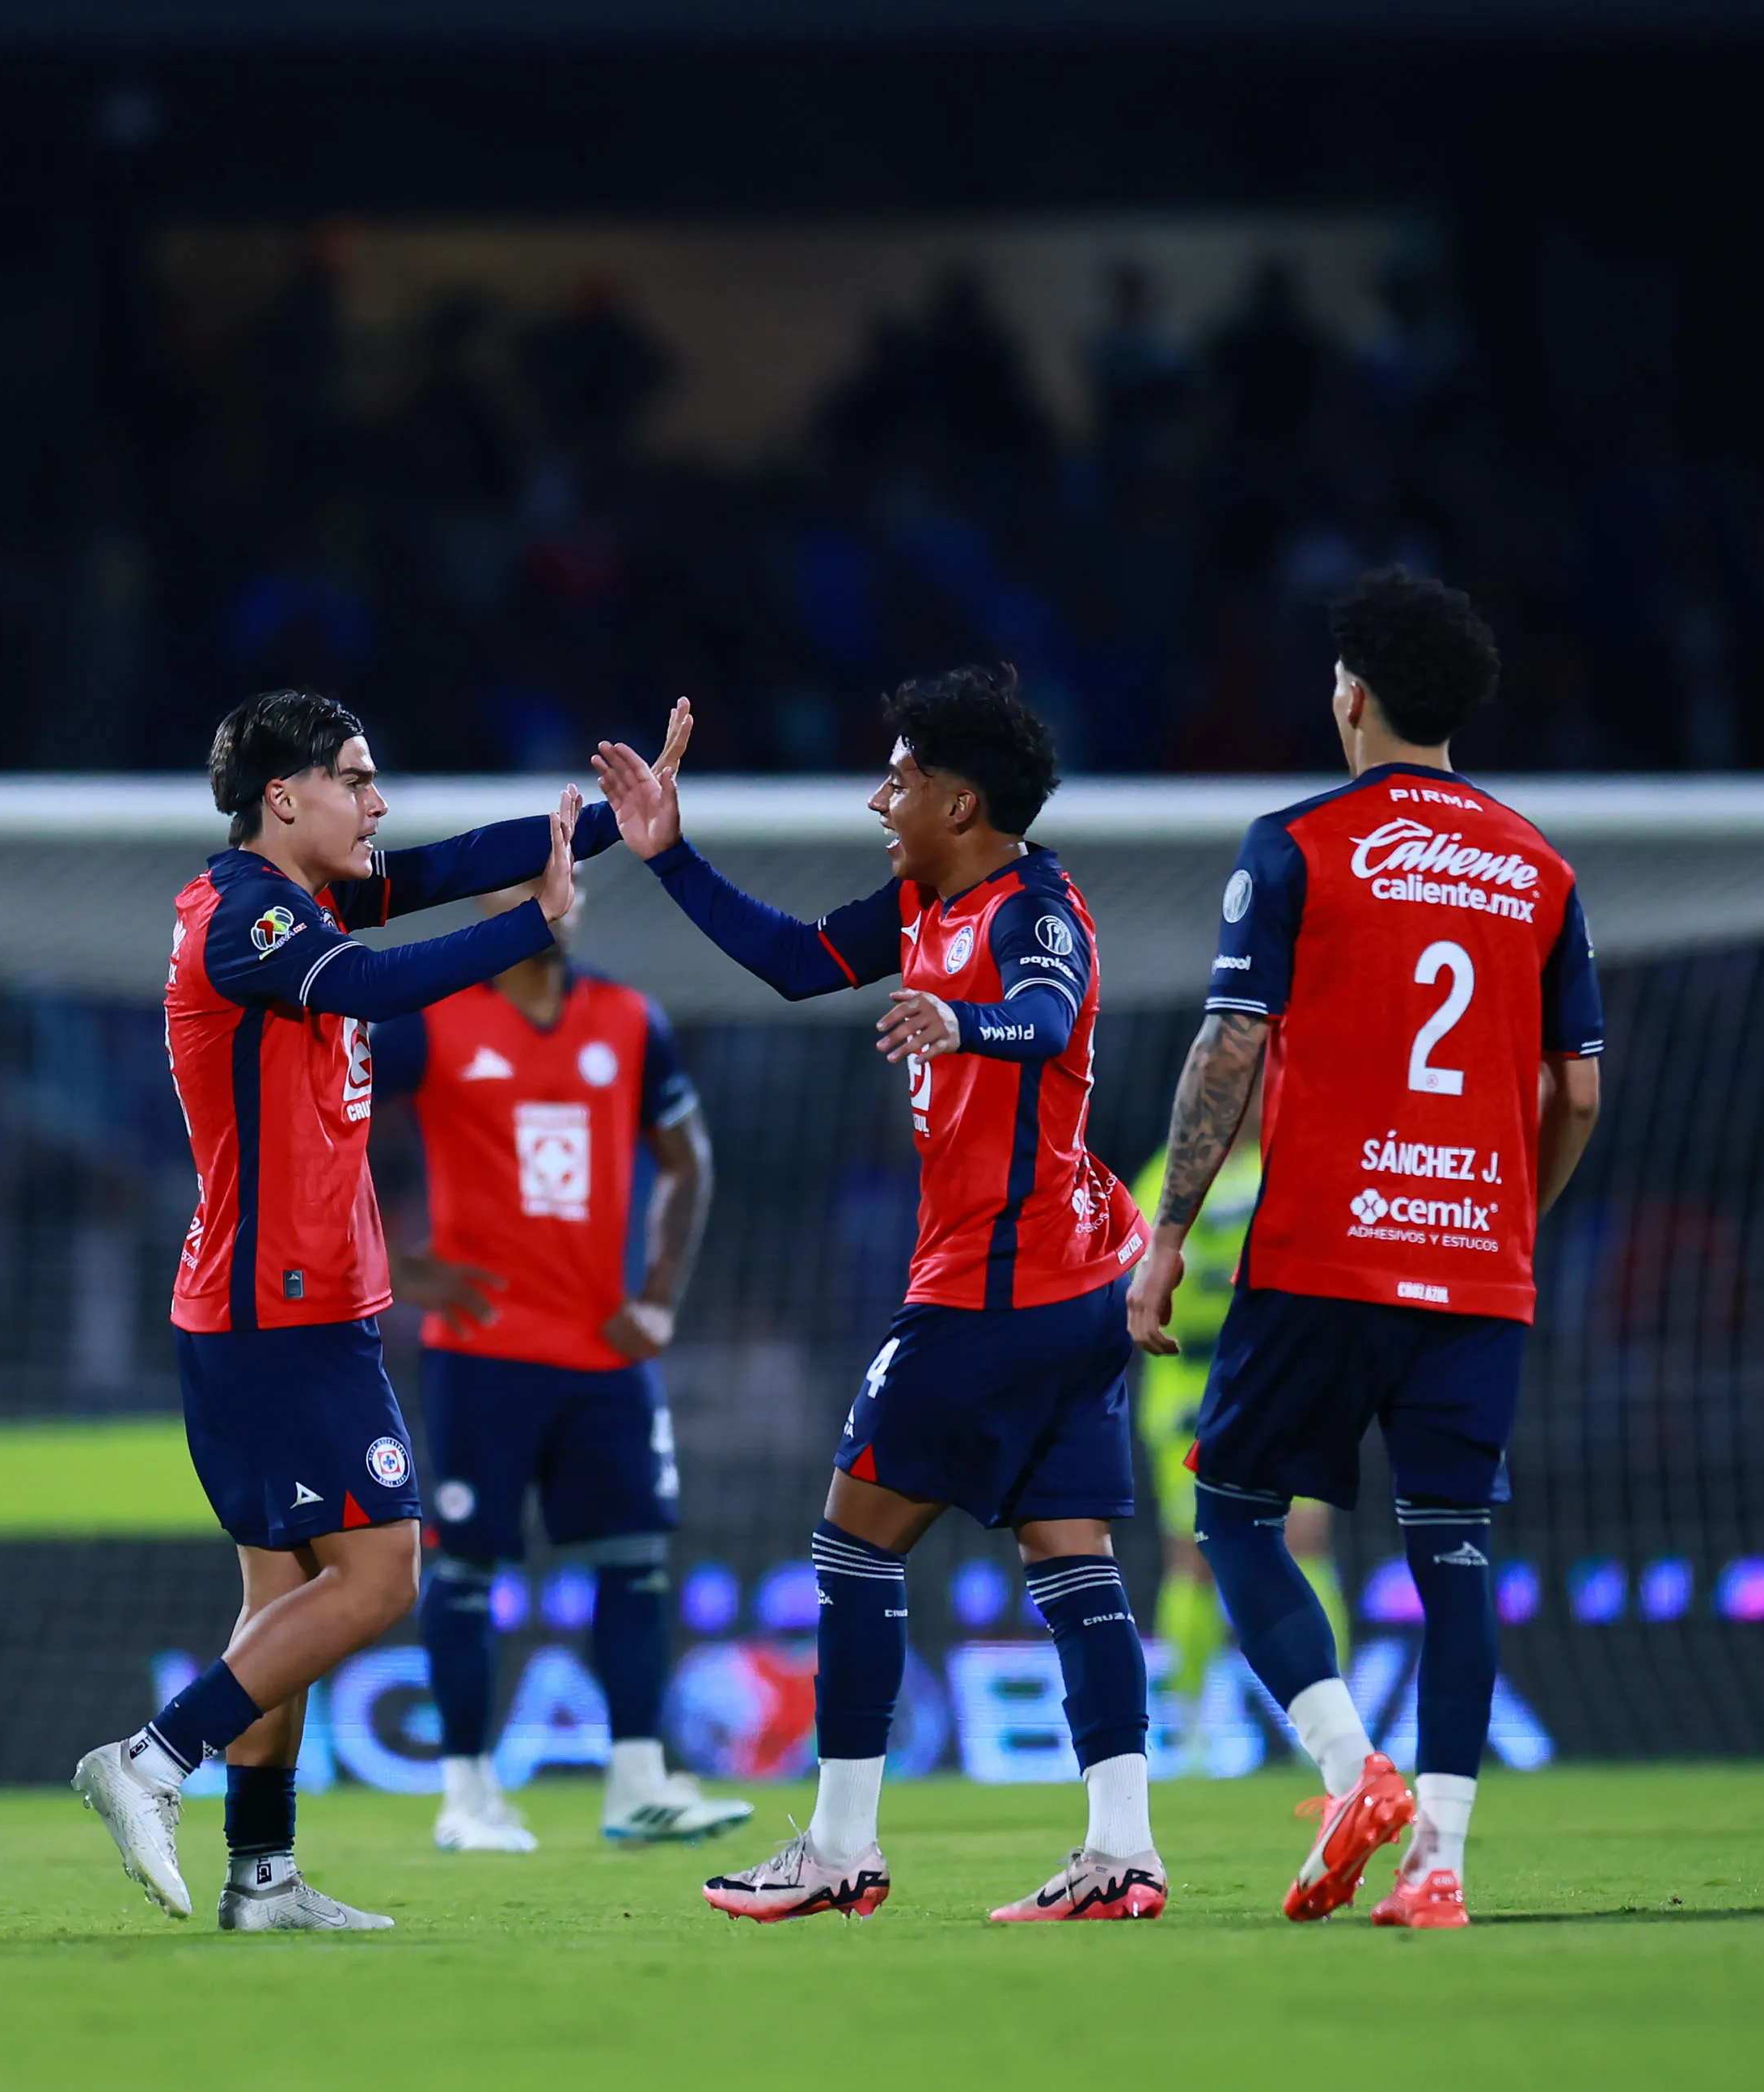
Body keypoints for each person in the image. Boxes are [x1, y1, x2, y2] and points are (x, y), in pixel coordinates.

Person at [72, 689, 684, 1933]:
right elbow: (381, 983)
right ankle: (147, 1759)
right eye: (356, 778)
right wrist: (529, 926)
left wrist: (610, 823)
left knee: (280, 1604)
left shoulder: (297, 895)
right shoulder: (243, 921)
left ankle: (263, 1874)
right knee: (384, 1570)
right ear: (282, 796)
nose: (378, 800)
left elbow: (458, 862)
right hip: (274, 1310)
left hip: (277, 1300)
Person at [593, 670, 1162, 1926]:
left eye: (897, 778)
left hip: (992, 1287)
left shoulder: (1035, 905)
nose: (877, 796)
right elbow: (797, 963)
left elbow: (1044, 1009)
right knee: (1070, 1558)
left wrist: (964, 1025)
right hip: (1070, 1285)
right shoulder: (919, 898)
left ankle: (840, 1844)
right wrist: (670, 857)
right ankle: (1120, 1847)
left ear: (959, 800)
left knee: (852, 1537)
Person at [1130, 569, 1602, 1930]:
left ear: (1349, 694)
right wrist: (1504, 1214)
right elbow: (1572, 1093)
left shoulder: (1293, 843)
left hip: (1321, 1253)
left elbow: (1229, 1043)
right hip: (1473, 1265)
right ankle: (1438, 1864)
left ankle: (1348, 1767)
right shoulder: (1540, 868)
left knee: (1227, 1510)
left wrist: (1165, 1236)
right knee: (1451, 1554)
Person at [376, 874, 748, 1851]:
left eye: (558, 882)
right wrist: (392, 1264)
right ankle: (466, 1795)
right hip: (481, 1352)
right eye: (519, 886)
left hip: (603, 1352)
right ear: (480, 914)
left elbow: (689, 1158)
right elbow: (326, 1128)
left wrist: (659, 1296)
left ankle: (637, 1781)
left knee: (635, 1559)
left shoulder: (627, 1020)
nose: (547, 899)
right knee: (464, 1571)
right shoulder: (427, 1023)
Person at [1127, 1120, 1348, 1771]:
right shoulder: (1166, 1176)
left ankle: (1332, 1724)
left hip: (1281, 1371)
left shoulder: (1295, 1164)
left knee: (1304, 1534)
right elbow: (1145, 1269)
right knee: (1193, 1554)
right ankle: (1190, 1731)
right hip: (1186, 1381)